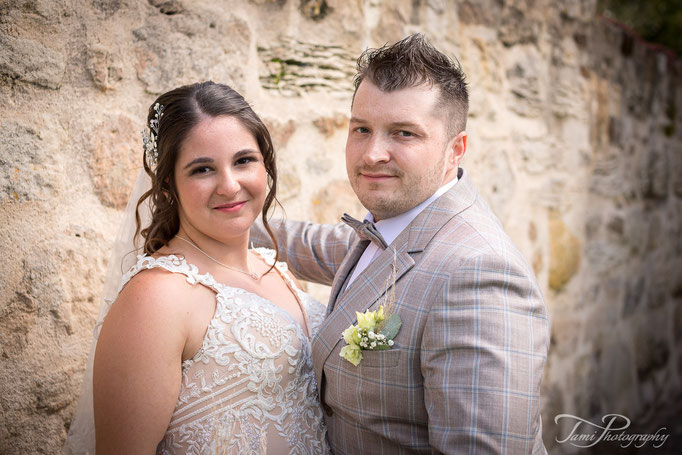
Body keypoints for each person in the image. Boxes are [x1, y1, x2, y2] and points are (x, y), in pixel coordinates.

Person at [251, 34, 550, 453]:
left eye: (404, 133)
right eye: (362, 129)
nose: (373, 153)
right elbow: (308, 244)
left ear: (455, 150)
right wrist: (226, 214)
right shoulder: (395, 229)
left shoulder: (479, 273)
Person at [64, 81, 329, 454]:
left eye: (243, 160)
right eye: (203, 169)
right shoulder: (157, 295)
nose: (229, 185)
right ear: (168, 186)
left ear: (265, 165)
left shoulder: (274, 267)